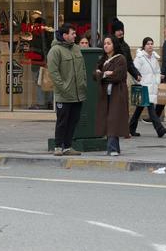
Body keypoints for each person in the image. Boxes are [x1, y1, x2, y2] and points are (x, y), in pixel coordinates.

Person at [47, 23, 87, 156]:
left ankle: (68, 146)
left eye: (75, 33)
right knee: (62, 121)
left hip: (77, 94)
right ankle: (58, 146)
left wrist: (83, 83)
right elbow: (53, 73)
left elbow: (82, 69)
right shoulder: (55, 50)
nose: (75, 36)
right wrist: (63, 87)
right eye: (73, 34)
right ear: (65, 36)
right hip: (64, 94)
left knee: (73, 121)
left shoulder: (76, 48)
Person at [93, 36, 131, 156]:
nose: (106, 45)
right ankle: (113, 148)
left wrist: (103, 75)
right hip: (105, 94)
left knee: (113, 120)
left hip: (117, 93)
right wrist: (105, 74)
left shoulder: (120, 59)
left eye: (108, 43)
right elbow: (94, 74)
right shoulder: (103, 59)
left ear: (114, 44)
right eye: (104, 43)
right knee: (107, 119)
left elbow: (117, 76)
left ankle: (112, 148)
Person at [131, 37, 166, 138]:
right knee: (151, 109)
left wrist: (159, 77)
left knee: (139, 109)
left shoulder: (154, 58)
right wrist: (139, 83)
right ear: (144, 45)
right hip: (143, 87)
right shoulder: (139, 58)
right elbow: (134, 72)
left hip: (152, 86)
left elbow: (156, 71)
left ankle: (131, 128)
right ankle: (159, 129)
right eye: (148, 44)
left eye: (152, 43)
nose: (150, 45)